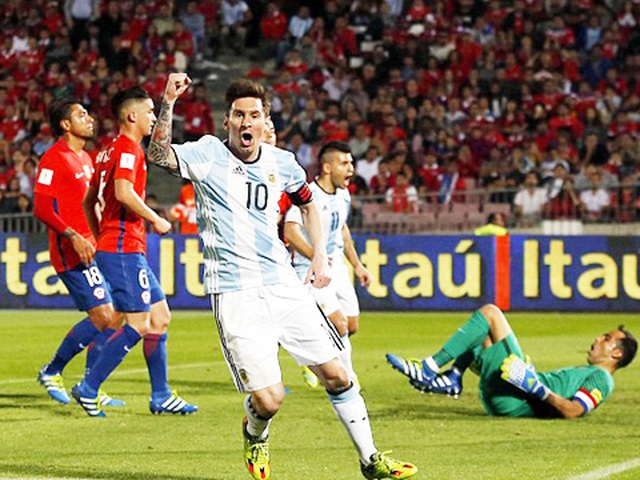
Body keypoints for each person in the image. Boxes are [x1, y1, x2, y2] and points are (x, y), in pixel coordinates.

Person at [147, 73, 417, 480]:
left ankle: (370, 459)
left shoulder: (282, 162)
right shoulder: (206, 155)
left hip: (283, 286)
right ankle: (255, 433)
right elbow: (159, 155)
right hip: (235, 294)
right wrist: (168, 101)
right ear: (227, 122)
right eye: (238, 114)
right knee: (270, 400)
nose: (245, 122)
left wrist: (322, 258)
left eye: (253, 115)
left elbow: (309, 204)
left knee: (338, 374)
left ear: (263, 122)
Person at [71, 87, 198, 418]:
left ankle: (161, 395)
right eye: (150, 112)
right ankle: (89, 388)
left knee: (160, 317)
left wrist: (101, 237)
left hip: (120, 246)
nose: (154, 118)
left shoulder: (105, 151)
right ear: (132, 116)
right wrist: (155, 218)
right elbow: (123, 192)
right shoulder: (128, 149)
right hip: (124, 247)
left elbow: (88, 201)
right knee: (139, 323)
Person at [386, 304, 637, 418]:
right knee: (481, 334)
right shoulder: (588, 372)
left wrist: (536, 387)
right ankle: (453, 377)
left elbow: (573, 411)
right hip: (512, 393)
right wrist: (531, 376)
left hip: (517, 397)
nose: (598, 338)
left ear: (616, 354)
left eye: (606, 338)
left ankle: (428, 368)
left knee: (491, 314)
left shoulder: (602, 379)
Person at [33, 97, 124, 408]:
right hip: (71, 250)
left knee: (116, 316)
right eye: (81, 115)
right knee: (103, 315)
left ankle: (90, 385)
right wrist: (73, 236)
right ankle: (52, 371)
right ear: (65, 124)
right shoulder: (53, 158)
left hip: (93, 247)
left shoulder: (87, 159)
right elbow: (41, 207)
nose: (90, 118)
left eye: (89, 112)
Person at [284, 141, 372, 389]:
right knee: (339, 323)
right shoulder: (307, 194)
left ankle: (312, 355)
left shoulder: (343, 194)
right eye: (344, 163)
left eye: (351, 163)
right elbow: (291, 231)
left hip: (338, 269)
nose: (351, 169)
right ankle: (348, 380)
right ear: (326, 167)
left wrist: (358, 265)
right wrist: (316, 257)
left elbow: (342, 230)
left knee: (351, 324)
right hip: (311, 270)